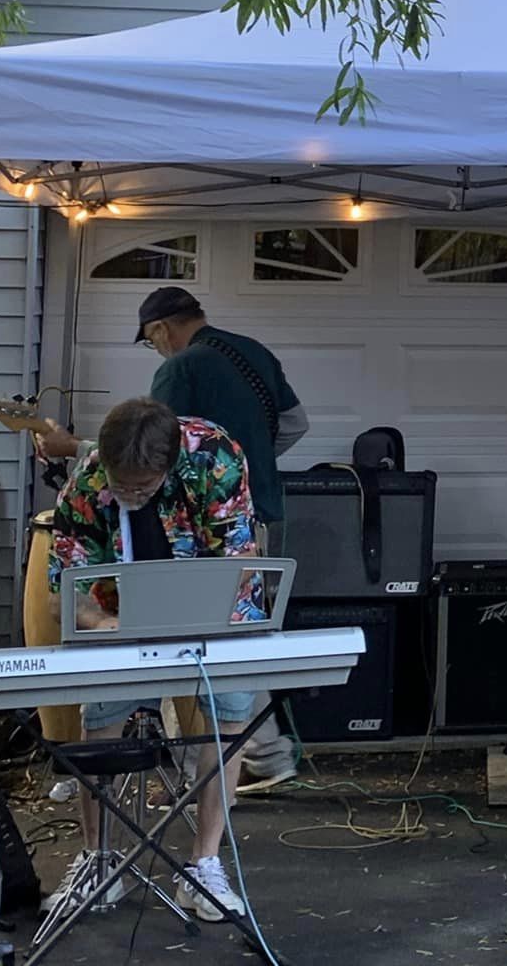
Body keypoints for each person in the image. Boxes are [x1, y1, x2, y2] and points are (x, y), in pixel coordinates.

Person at [42, 287, 308, 790]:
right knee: (235, 633)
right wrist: (252, 460)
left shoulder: (181, 368)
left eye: (150, 340)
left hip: (188, 521)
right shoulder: (253, 352)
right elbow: (296, 424)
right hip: (258, 513)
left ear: (161, 329)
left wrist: (72, 447)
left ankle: (189, 773)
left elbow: (144, 450)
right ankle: (268, 754)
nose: (156, 348)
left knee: (173, 638)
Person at [41, 398, 260, 921]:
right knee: (100, 719)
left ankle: (205, 864)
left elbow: (241, 560)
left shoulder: (215, 458)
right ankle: (98, 860)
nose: (130, 495)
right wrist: (99, 623)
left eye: (142, 487)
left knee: (228, 717)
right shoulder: (88, 480)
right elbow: (62, 587)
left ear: (169, 465)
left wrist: (203, 616)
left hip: (216, 611)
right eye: (122, 484)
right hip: (121, 616)